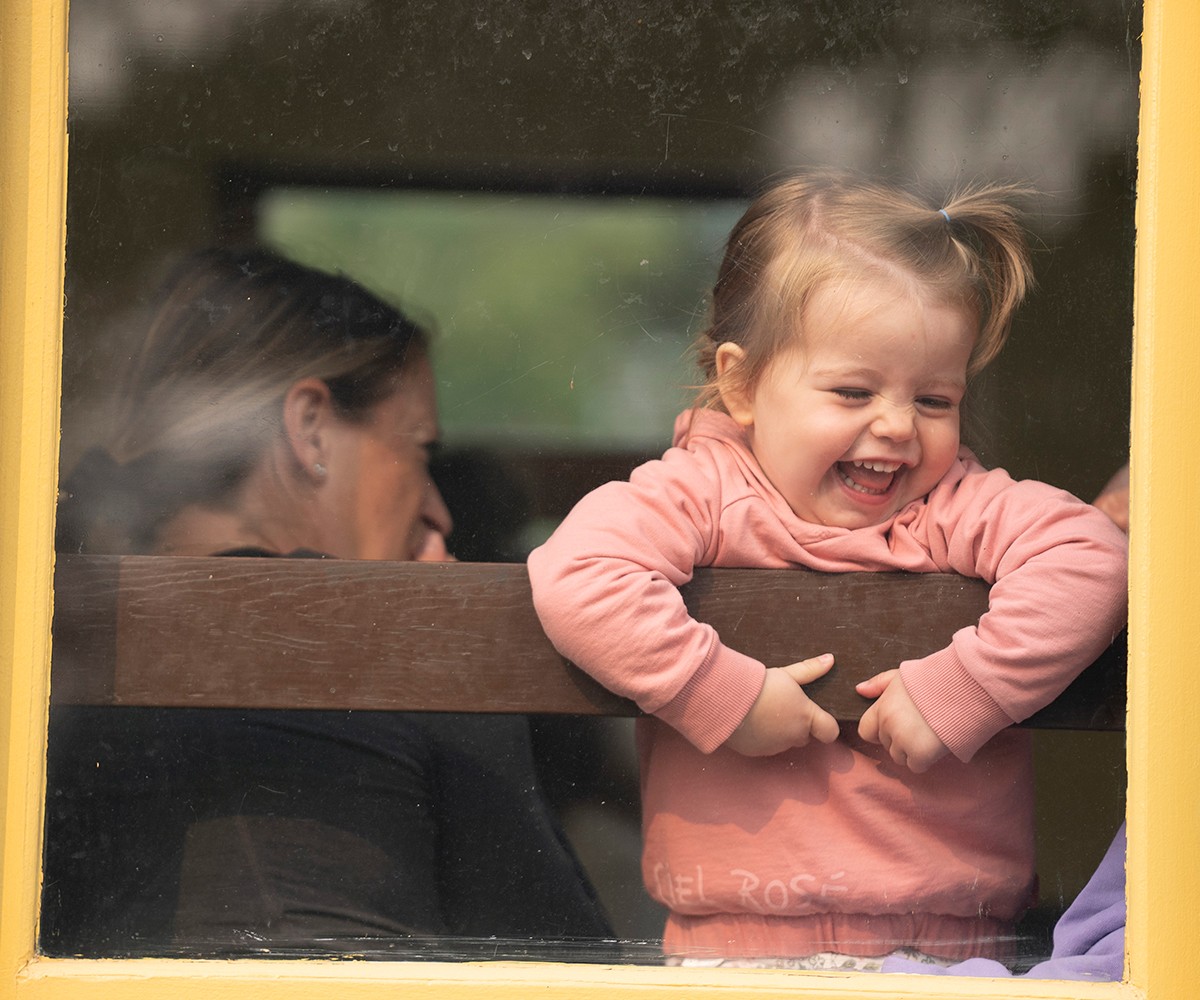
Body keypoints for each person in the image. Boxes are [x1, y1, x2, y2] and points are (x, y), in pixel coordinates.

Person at [527, 172, 1129, 968]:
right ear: (742, 385)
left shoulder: (955, 505)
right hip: (730, 951)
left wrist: (964, 687)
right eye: (852, 391)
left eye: (935, 401)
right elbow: (579, 572)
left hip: (953, 950)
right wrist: (723, 695)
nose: (895, 426)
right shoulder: (702, 491)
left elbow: (1092, 559)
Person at [43, 248, 611, 957]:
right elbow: (554, 955)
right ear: (311, 428)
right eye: (418, 450)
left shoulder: (80, 633)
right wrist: (441, 642)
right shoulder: (329, 648)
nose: (439, 510)